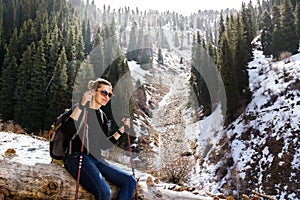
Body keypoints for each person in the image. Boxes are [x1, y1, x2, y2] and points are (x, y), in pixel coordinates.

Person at [61, 78, 136, 200]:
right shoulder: (80, 109)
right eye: (104, 92)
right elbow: (66, 130)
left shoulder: (102, 116)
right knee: (104, 192)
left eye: (110, 94)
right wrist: (81, 104)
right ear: (93, 91)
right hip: (77, 157)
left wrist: (121, 130)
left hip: (96, 159)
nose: (107, 97)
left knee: (130, 181)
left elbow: (103, 145)